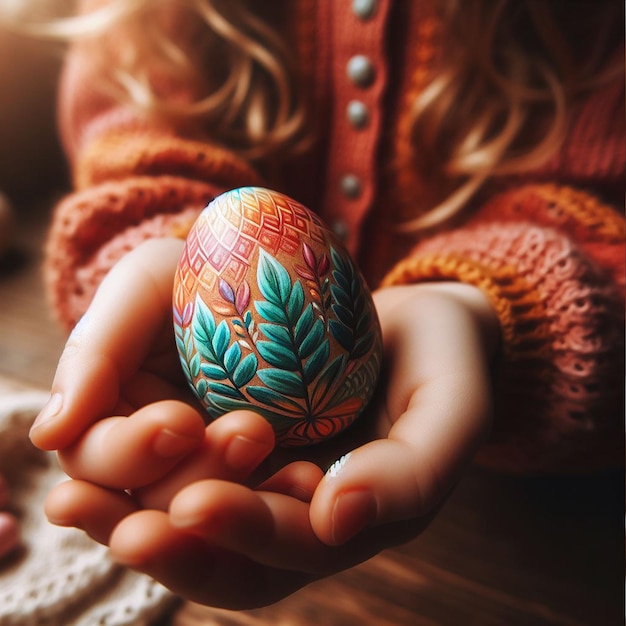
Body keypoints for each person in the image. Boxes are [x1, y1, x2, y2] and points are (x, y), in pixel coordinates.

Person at [16, 0, 625, 609]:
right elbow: (134, 129)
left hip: (552, 535)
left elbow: (603, 207)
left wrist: (496, 309)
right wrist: (155, 251)